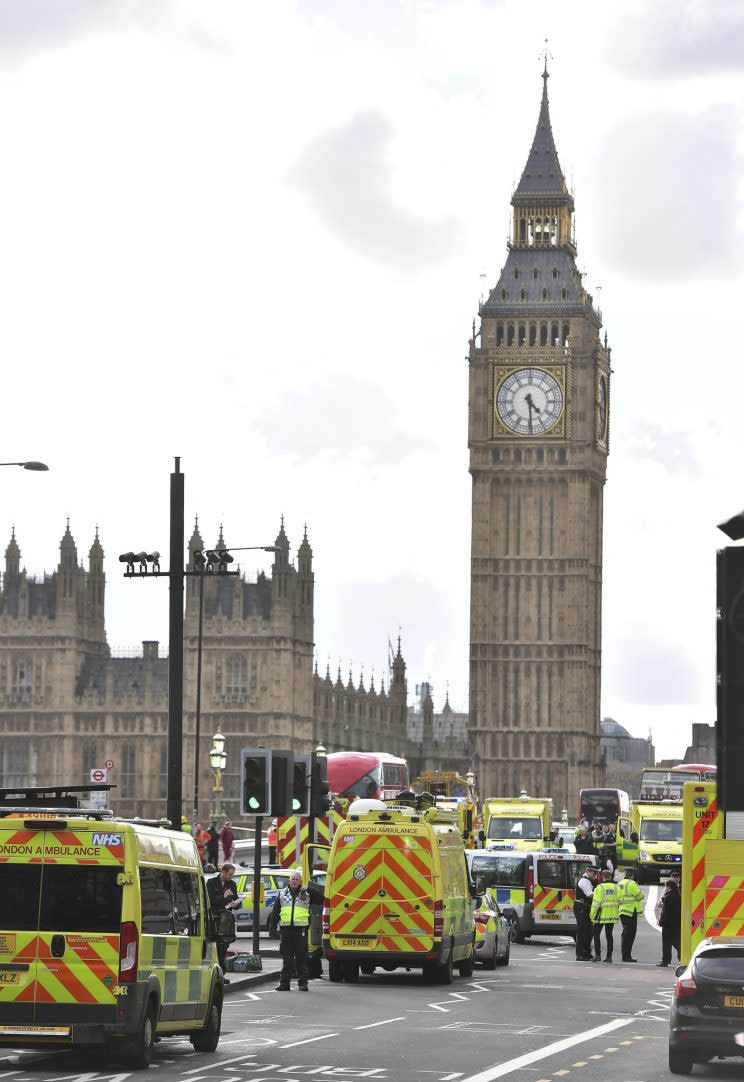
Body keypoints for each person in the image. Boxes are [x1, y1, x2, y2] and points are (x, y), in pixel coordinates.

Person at [268, 867, 323, 992]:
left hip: (301, 930)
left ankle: (302, 984)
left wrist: (308, 888)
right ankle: (284, 984)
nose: (294, 881)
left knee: (301, 958)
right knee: (286, 958)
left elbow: (321, 899)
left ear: (300, 881)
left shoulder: (306, 893)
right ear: (289, 881)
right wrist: (272, 929)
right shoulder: (282, 893)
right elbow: (275, 912)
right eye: (292, 879)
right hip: (286, 930)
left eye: (297, 879)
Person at [207, 861, 240, 978]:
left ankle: (221, 976)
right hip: (214, 919)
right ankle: (213, 975)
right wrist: (223, 896)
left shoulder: (232, 884)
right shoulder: (211, 883)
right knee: (214, 947)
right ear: (223, 872)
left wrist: (236, 904)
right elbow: (209, 901)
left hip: (226, 921)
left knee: (223, 948)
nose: (231, 877)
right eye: (230, 874)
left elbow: (236, 900)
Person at [590, 868, 619, 963]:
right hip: (612, 915)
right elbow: (620, 900)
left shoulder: (600, 887)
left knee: (596, 934)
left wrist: (592, 914)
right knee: (609, 936)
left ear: (602, 877)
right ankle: (609, 957)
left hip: (601, 915)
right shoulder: (616, 887)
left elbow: (596, 903)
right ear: (610, 877)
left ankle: (598, 955)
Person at [617, 868, 644, 962]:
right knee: (630, 935)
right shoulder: (632, 884)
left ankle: (625, 955)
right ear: (632, 875)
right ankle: (626, 956)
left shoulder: (620, 883)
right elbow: (640, 896)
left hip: (622, 911)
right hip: (630, 911)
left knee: (625, 934)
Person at [574, 863, 598, 960]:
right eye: (594, 872)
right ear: (588, 871)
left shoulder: (591, 880)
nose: (596, 874)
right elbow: (590, 895)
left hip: (586, 907)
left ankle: (586, 953)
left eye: (596, 872)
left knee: (589, 932)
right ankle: (580, 954)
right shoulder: (584, 881)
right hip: (581, 907)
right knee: (583, 931)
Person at [657, 879, 681, 967]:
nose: (665, 888)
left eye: (666, 886)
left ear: (669, 887)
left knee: (666, 943)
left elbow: (665, 912)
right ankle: (682, 956)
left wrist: (661, 922)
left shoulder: (668, 897)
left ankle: (665, 960)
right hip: (676, 923)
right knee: (676, 941)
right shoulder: (678, 896)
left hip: (668, 924)